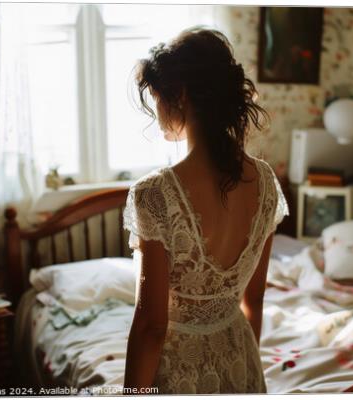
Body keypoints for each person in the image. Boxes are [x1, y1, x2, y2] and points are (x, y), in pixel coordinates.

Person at [122, 27, 289, 394]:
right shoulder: (265, 183)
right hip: (240, 355)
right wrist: (244, 363)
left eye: (157, 98)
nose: (158, 110)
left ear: (179, 95)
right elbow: (254, 299)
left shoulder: (155, 195)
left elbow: (151, 325)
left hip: (181, 370)